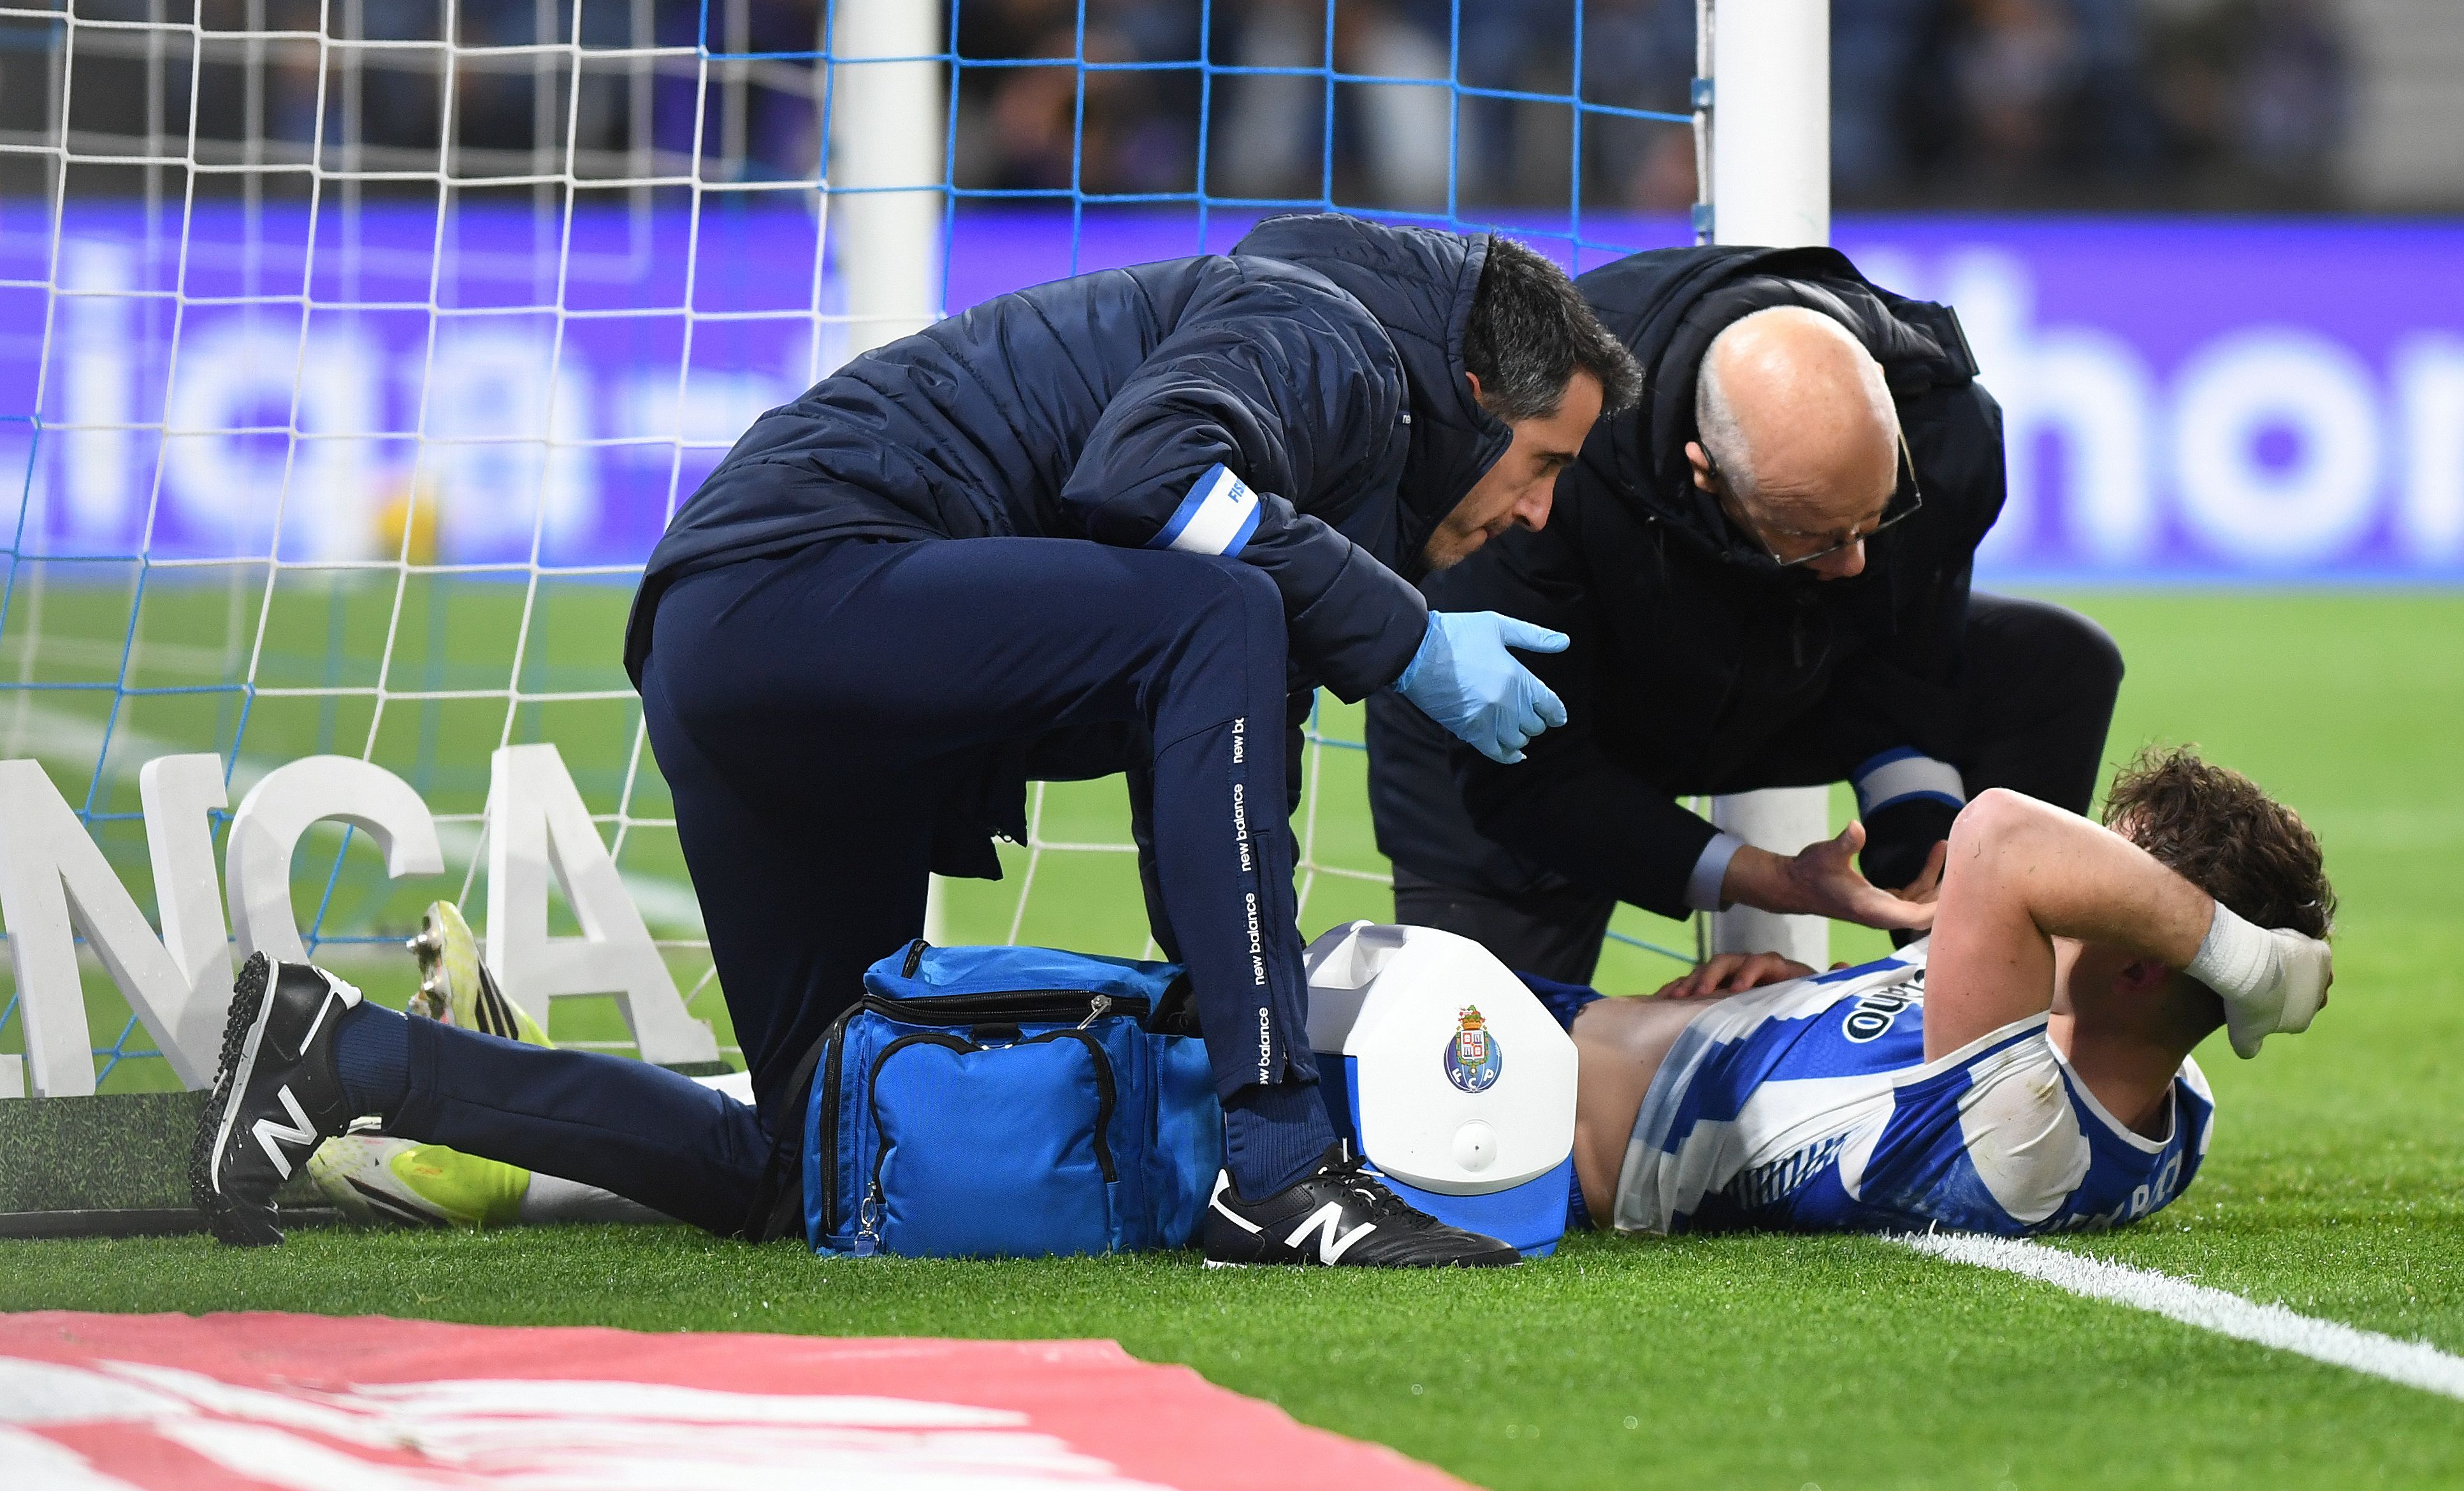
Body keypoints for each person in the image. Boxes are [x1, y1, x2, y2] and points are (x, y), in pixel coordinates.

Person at [196, 214, 1644, 1269]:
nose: (1535, 513)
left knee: (811, 1152)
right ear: (1472, 396)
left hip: (745, 650)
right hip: (801, 591)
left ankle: (338, 1051)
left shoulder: (1328, 397)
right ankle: (1274, 1166)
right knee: (1223, 616)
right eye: (1542, 467)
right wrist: (1400, 637)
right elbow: (1148, 481)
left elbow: (1209, 696)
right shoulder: (1323, 335)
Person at [1368, 244, 2126, 984]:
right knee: (1484, 1067)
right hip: (1542, 730)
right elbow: (1524, 779)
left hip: (1777, 667)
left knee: (2056, 661)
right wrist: (1781, 880)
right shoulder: (1542, 459)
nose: (1852, 562)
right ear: (1705, 472)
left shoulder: (1946, 434)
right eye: (1813, 535)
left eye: (1872, 521)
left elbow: (1899, 665)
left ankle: (1950, 995)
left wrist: (1922, 855)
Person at [1532, 747, 2333, 1236]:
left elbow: (2003, 836)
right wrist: (1811, 1002)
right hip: (1571, 1029)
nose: (2072, 888)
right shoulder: (2173, 1110)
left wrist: (2252, 963)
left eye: (2099, 887)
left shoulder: (2015, 1135)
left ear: (2142, 966)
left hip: (1530, 1123)